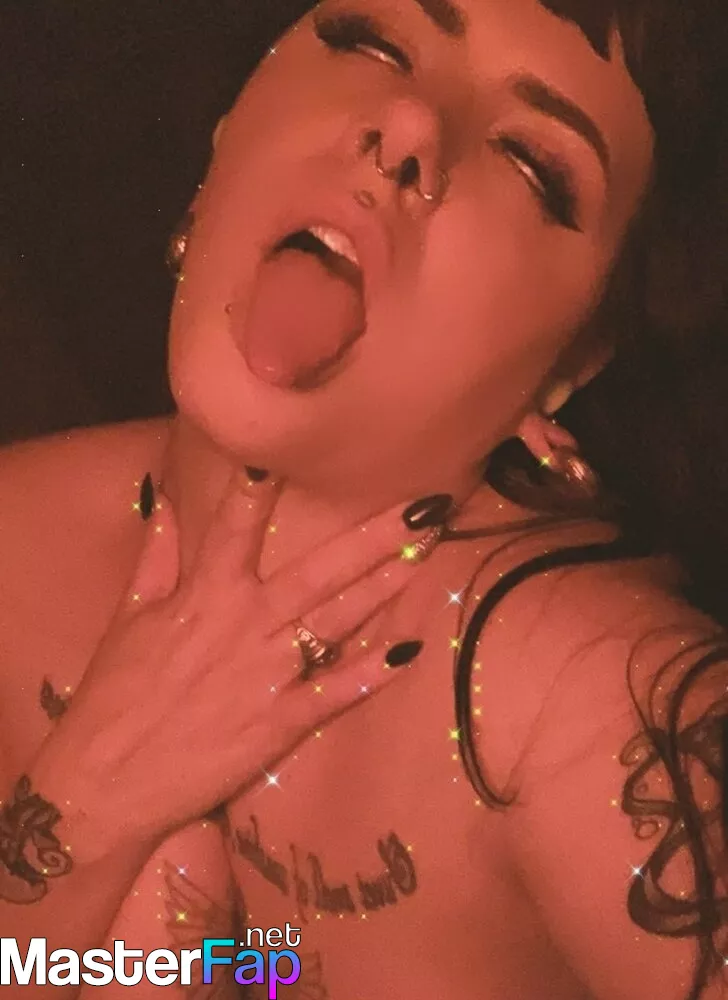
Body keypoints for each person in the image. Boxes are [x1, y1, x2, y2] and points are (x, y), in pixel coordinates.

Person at [0, 0, 726, 997]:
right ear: (229, 129)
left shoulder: (586, 701)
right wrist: (81, 817)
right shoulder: (14, 539)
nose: (413, 126)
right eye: (371, 44)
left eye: (532, 164)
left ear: (572, 361)